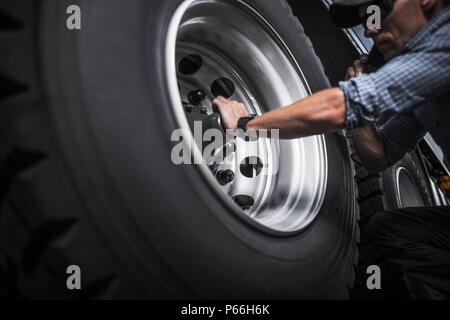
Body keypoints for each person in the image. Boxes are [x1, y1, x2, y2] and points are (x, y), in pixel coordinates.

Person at [213, 0, 450, 296]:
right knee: (389, 230)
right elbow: (379, 157)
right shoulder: (423, 95)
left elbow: (343, 105)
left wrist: (246, 122)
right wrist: (357, 98)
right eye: (365, 20)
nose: (370, 28)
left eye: (380, 11)